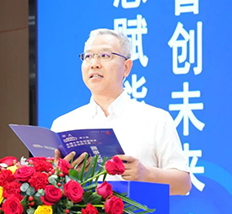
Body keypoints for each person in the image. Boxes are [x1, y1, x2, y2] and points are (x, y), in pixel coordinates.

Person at [51, 28, 191, 195]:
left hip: (139, 212)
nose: (94, 63)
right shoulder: (63, 124)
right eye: (88, 56)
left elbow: (184, 184)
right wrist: (60, 173)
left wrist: (146, 174)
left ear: (126, 67)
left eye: (105, 55)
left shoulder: (155, 119)